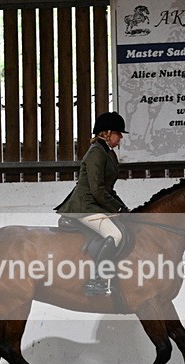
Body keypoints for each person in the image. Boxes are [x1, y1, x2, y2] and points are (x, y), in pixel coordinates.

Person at [55, 111, 130, 296]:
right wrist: (118, 208)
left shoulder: (108, 153)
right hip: (85, 207)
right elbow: (97, 190)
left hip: (95, 204)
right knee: (116, 235)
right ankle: (97, 281)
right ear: (107, 132)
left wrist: (125, 209)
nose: (120, 137)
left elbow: (109, 189)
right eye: (118, 133)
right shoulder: (96, 152)